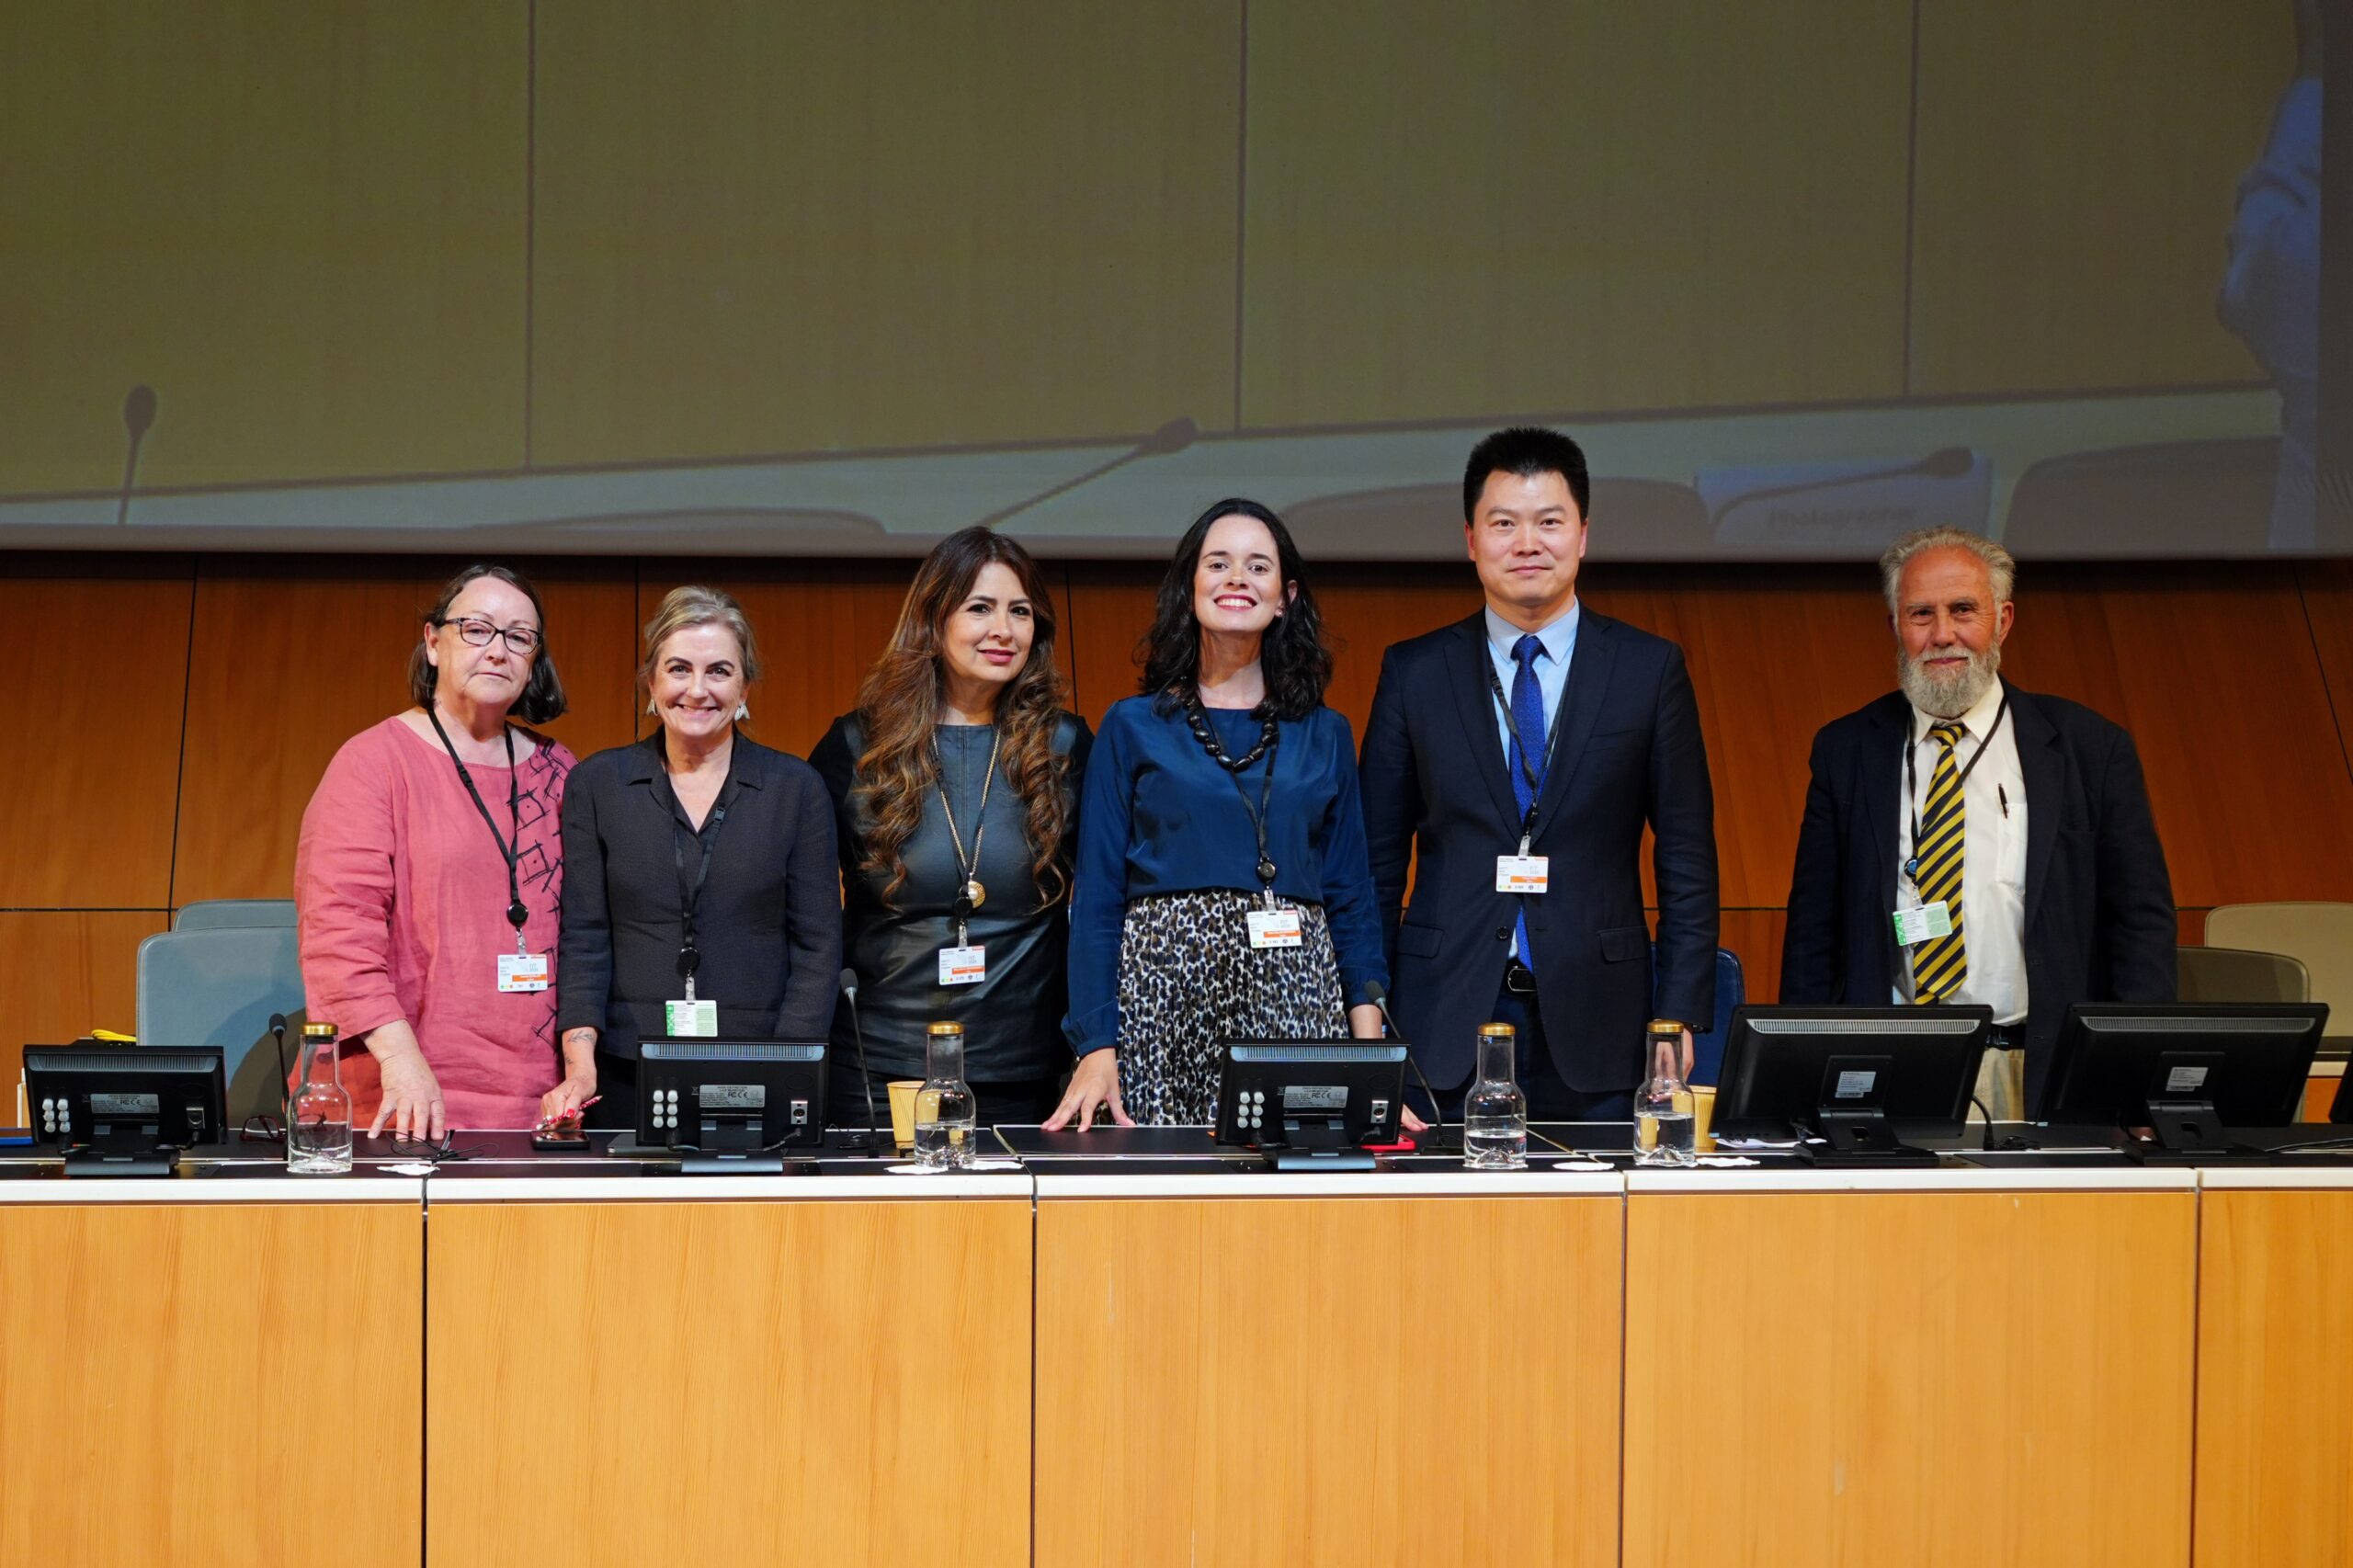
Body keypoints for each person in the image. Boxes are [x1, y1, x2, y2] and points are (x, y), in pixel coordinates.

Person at [1358, 427, 1718, 1122]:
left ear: (1582, 535)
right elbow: (1376, 860)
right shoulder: (1414, 672)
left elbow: (1687, 857)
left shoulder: (1648, 670)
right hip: (1441, 1016)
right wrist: (1369, 1010)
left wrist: (1677, 1012)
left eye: (1549, 522)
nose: (1528, 543)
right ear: (1471, 540)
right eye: (1504, 524)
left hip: (1602, 1019)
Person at [1779, 527, 2177, 1114]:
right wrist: (1800, 1077)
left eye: (1963, 610)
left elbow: (2140, 926)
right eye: (1921, 614)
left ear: (2003, 620)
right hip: (1891, 1068)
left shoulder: (2090, 749)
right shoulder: (1846, 751)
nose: (1942, 634)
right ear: (1895, 626)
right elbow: (1813, 934)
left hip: (2039, 1072)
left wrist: (2138, 1082)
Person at [1049, 499, 1386, 1129]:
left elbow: (1351, 897)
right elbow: (1096, 899)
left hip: (1296, 1001)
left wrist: (1370, 1056)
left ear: (1285, 597)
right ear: (1189, 587)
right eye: (1218, 563)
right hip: (1160, 1007)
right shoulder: (1131, 726)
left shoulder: (1326, 733)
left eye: (1258, 567)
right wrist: (1096, 1047)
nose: (1237, 579)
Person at [811, 528, 1093, 1131]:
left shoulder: (1065, 746)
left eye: (1021, 612)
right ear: (932, 620)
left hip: (1023, 1068)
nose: (1004, 630)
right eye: (980, 608)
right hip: (881, 1067)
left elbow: (1102, 909)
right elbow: (805, 914)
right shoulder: (856, 746)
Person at [296, 564, 577, 1136]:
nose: (497, 650)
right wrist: (400, 1061)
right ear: (432, 642)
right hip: (397, 1094)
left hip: (537, 1102)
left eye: (519, 637)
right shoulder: (373, 762)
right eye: (477, 629)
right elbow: (337, 932)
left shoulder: (561, 771)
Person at [552, 586, 841, 1130]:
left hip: (761, 1062)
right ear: (652, 683)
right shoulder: (598, 783)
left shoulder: (796, 788)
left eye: (719, 671)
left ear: (745, 687)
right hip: (625, 1065)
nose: (697, 689)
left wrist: (790, 1070)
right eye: (679, 669)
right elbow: (585, 936)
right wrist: (580, 1065)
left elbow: (818, 945)